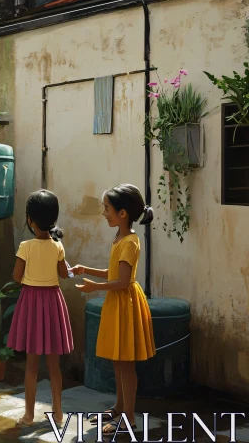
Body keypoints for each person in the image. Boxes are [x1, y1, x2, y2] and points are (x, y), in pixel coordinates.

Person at [72, 183, 156, 435]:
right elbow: (114, 272)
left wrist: (93, 288)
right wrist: (86, 270)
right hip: (118, 302)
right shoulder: (119, 237)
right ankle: (119, 407)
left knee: (126, 364)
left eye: (107, 208)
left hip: (125, 303)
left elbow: (122, 281)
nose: (103, 213)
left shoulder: (130, 242)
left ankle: (128, 418)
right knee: (118, 361)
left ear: (123, 213)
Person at [8, 189, 74, 427]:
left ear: (29, 220)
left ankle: (28, 415)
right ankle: (58, 413)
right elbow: (64, 274)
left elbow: (17, 276)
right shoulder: (58, 247)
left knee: (32, 366)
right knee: (54, 365)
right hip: (53, 303)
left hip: (32, 304)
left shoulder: (26, 246)